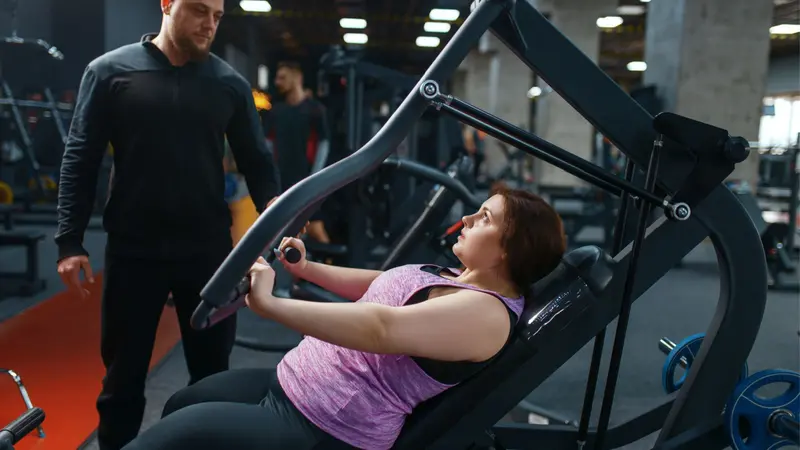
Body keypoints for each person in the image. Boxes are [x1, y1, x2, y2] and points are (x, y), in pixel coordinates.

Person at [121, 186, 566, 450]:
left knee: (169, 439)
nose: (467, 218)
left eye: (484, 217)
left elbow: (381, 328)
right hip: (292, 385)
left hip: (325, 426)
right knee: (185, 402)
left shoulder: (486, 314)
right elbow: (383, 283)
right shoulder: (459, 276)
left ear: (510, 248)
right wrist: (307, 269)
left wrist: (273, 306)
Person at [54, 0, 281, 449]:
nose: (209, 25)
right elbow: (80, 159)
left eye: (217, 17)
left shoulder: (229, 84)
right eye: (199, 11)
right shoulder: (109, 72)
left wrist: (279, 226)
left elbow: (259, 165)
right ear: (166, 4)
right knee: (122, 383)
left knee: (211, 381)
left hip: (208, 253)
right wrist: (69, 242)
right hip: (134, 250)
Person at [263, 60, 331, 244]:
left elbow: (324, 145)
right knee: (281, 232)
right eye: (277, 78)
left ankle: (331, 269)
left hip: (307, 181)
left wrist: (315, 178)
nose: (277, 82)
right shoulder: (276, 111)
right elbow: (267, 146)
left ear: (297, 78)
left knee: (316, 228)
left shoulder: (315, 110)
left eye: (282, 77)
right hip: (282, 183)